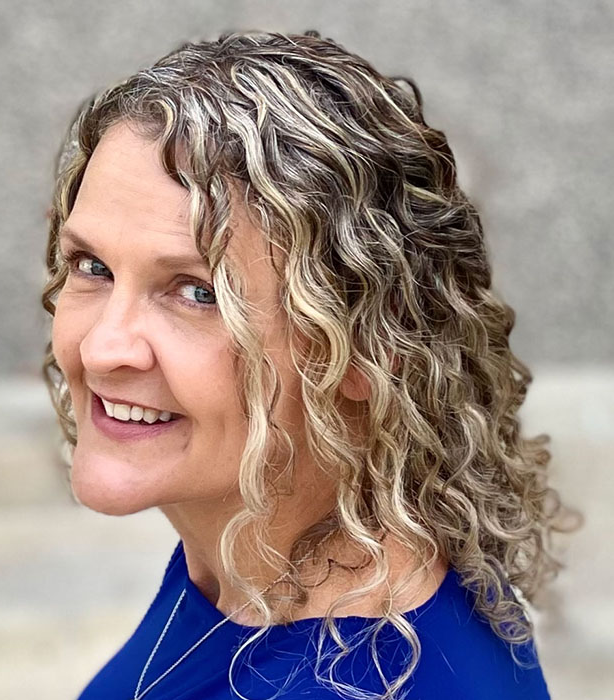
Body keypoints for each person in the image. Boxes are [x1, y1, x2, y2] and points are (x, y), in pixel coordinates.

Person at [41, 29, 580, 700]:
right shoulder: (249, 569)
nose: (99, 348)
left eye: (198, 292)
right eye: (91, 266)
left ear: (366, 351)